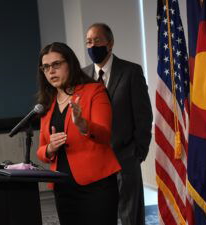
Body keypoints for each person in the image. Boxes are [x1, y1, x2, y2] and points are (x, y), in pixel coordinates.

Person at [36, 42, 121, 225]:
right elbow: (42, 150)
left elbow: (105, 134)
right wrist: (50, 148)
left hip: (97, 186)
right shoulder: (47, 103)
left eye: (56, 64)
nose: (51, 71)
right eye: (46, 67)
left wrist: (83, 125)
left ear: (70, 64)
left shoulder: (93, 91)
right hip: (63, 188)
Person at [83, 23, 153, 225]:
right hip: (95, 160)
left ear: (110, 44)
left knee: (130, 216)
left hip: (125, 157)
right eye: (88, 41)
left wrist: (138, 152)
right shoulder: (82, 76)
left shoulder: (131, 71)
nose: (92, 45)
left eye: (97, 41)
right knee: (100, 214)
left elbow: (143, 115)